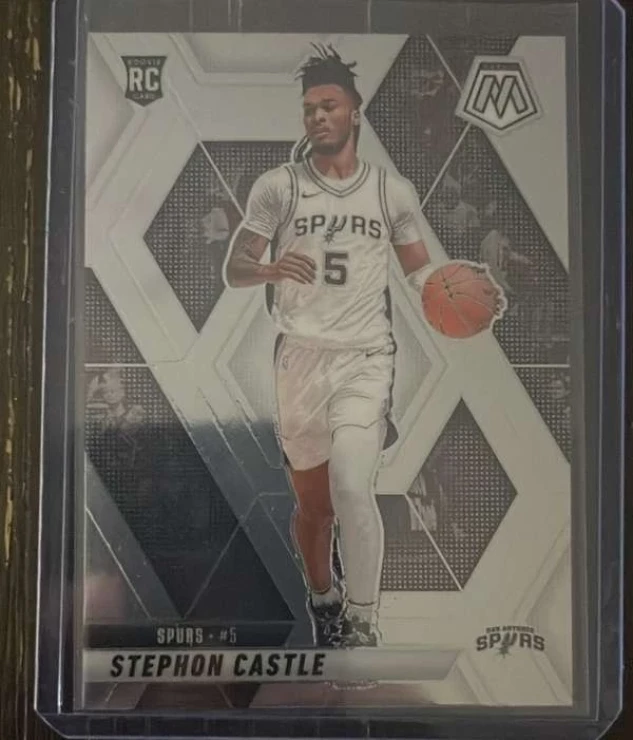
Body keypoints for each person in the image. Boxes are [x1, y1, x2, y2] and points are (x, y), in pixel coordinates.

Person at [223, 44, 497, 647]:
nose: (318, 116)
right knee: (315, 511)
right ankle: (324, 597)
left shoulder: (391, 191)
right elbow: (235, 268)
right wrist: (270, 269)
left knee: (351, 488)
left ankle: (364, 620)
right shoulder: (279, 187)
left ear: (355, 110)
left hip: (366, 358)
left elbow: (421, 274)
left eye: (329, 105)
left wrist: (462, 285)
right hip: (299, 360)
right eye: (310, 108)